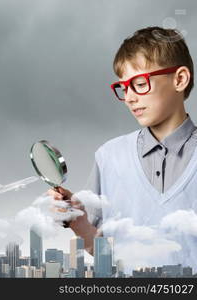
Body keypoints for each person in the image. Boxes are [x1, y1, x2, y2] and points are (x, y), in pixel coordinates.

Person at [47, 26, 196, 267]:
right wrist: (78, 222)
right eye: (123, 87)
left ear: (179, 79)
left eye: (139, 83)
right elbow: (104, 252)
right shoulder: (109, 157)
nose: (129, 98)